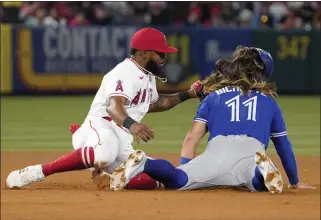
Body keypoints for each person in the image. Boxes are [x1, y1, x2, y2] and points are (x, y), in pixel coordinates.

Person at [5, 27, 203, 189]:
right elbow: (112, 107)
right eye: (161, 53)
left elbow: (155, 104)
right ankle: (38, 171)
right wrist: (133, 125)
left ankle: (112, 172)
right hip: (101, 126)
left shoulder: (147, 76)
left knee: (164, 180)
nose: (164, 58)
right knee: (104, 154)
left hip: (121, 137)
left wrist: (189, 94)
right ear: (144, 53)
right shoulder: (125, 72)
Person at [109, 45, 316, 194]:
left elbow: (192, 138)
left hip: (216, 151)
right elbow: (283, 144)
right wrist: (295, 182)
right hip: (251, 153)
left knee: (178, 179)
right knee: (255, 182)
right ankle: (262, 171)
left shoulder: (213, 97)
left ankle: (145, 163)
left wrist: (185, 169)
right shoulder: (268, 102)